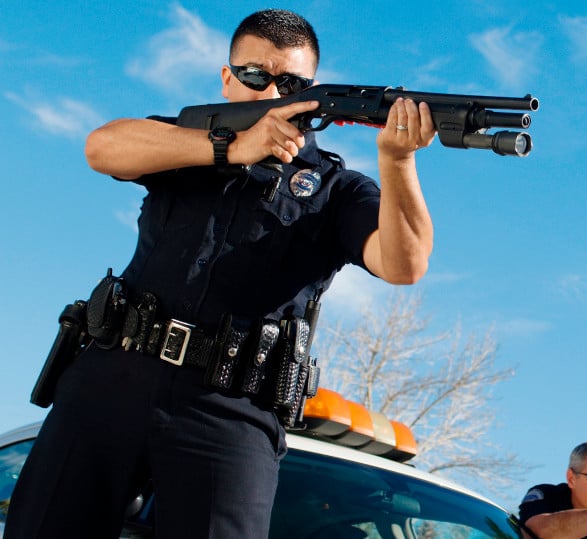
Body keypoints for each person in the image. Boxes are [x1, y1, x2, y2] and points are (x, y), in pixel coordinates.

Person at [5, 9, 435, 539]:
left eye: (292, 83)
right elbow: (102, 146)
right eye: (256, 76)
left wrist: (397, 162)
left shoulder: (337, 190)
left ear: (313, 92)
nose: (272, 92)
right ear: (228, 78)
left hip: (231, 408)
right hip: (110, 378)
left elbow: (405, 264)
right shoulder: (186, 143)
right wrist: (227, 148)